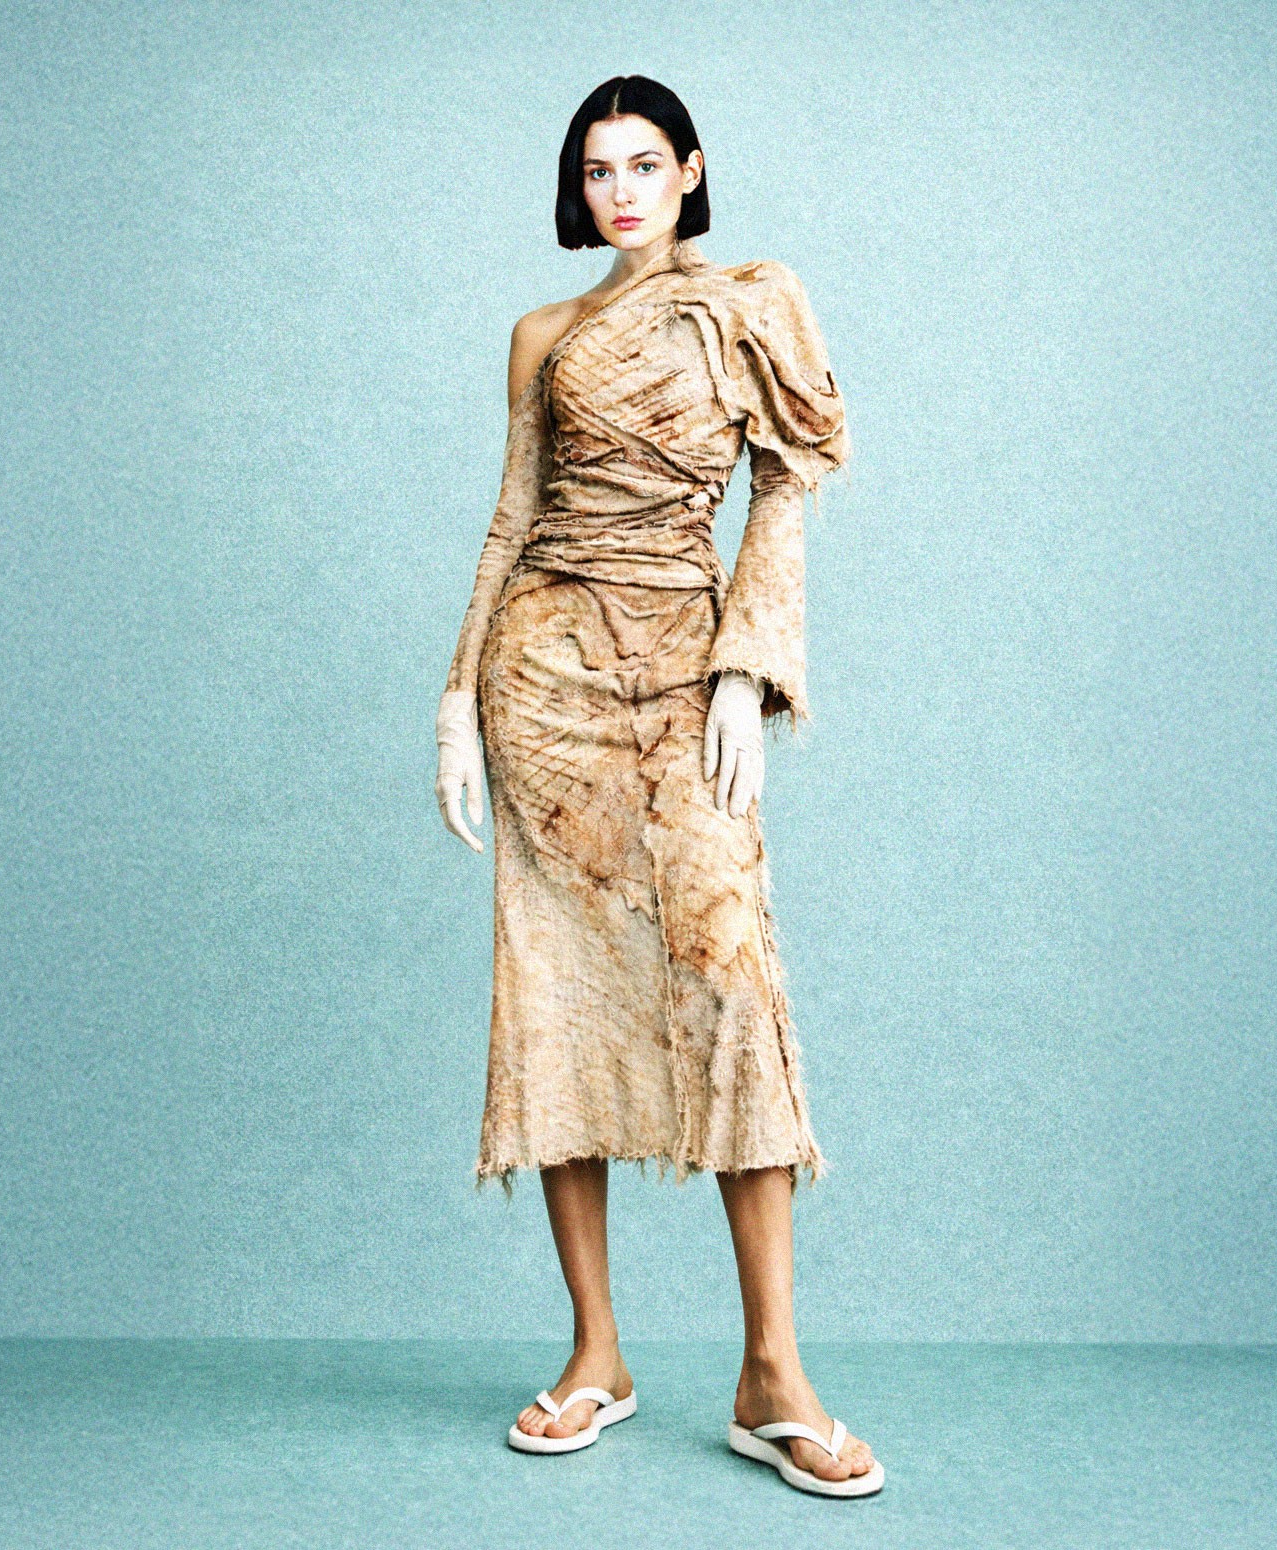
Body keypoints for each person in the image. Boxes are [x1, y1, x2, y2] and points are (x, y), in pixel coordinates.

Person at [433, 74, 881, 1498]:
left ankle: (773, 1374)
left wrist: (749, 670)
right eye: (596, 168)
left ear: (691, 170)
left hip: (689, 665)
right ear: (579, 188)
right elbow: (514, 513)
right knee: (557, 989)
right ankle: (596, 1355)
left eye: (643, 163)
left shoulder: (751, 304)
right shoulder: (543, 334)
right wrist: (455, 698)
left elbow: (786, 488)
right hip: (544, 679)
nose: (620, 189)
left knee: (733, 981)